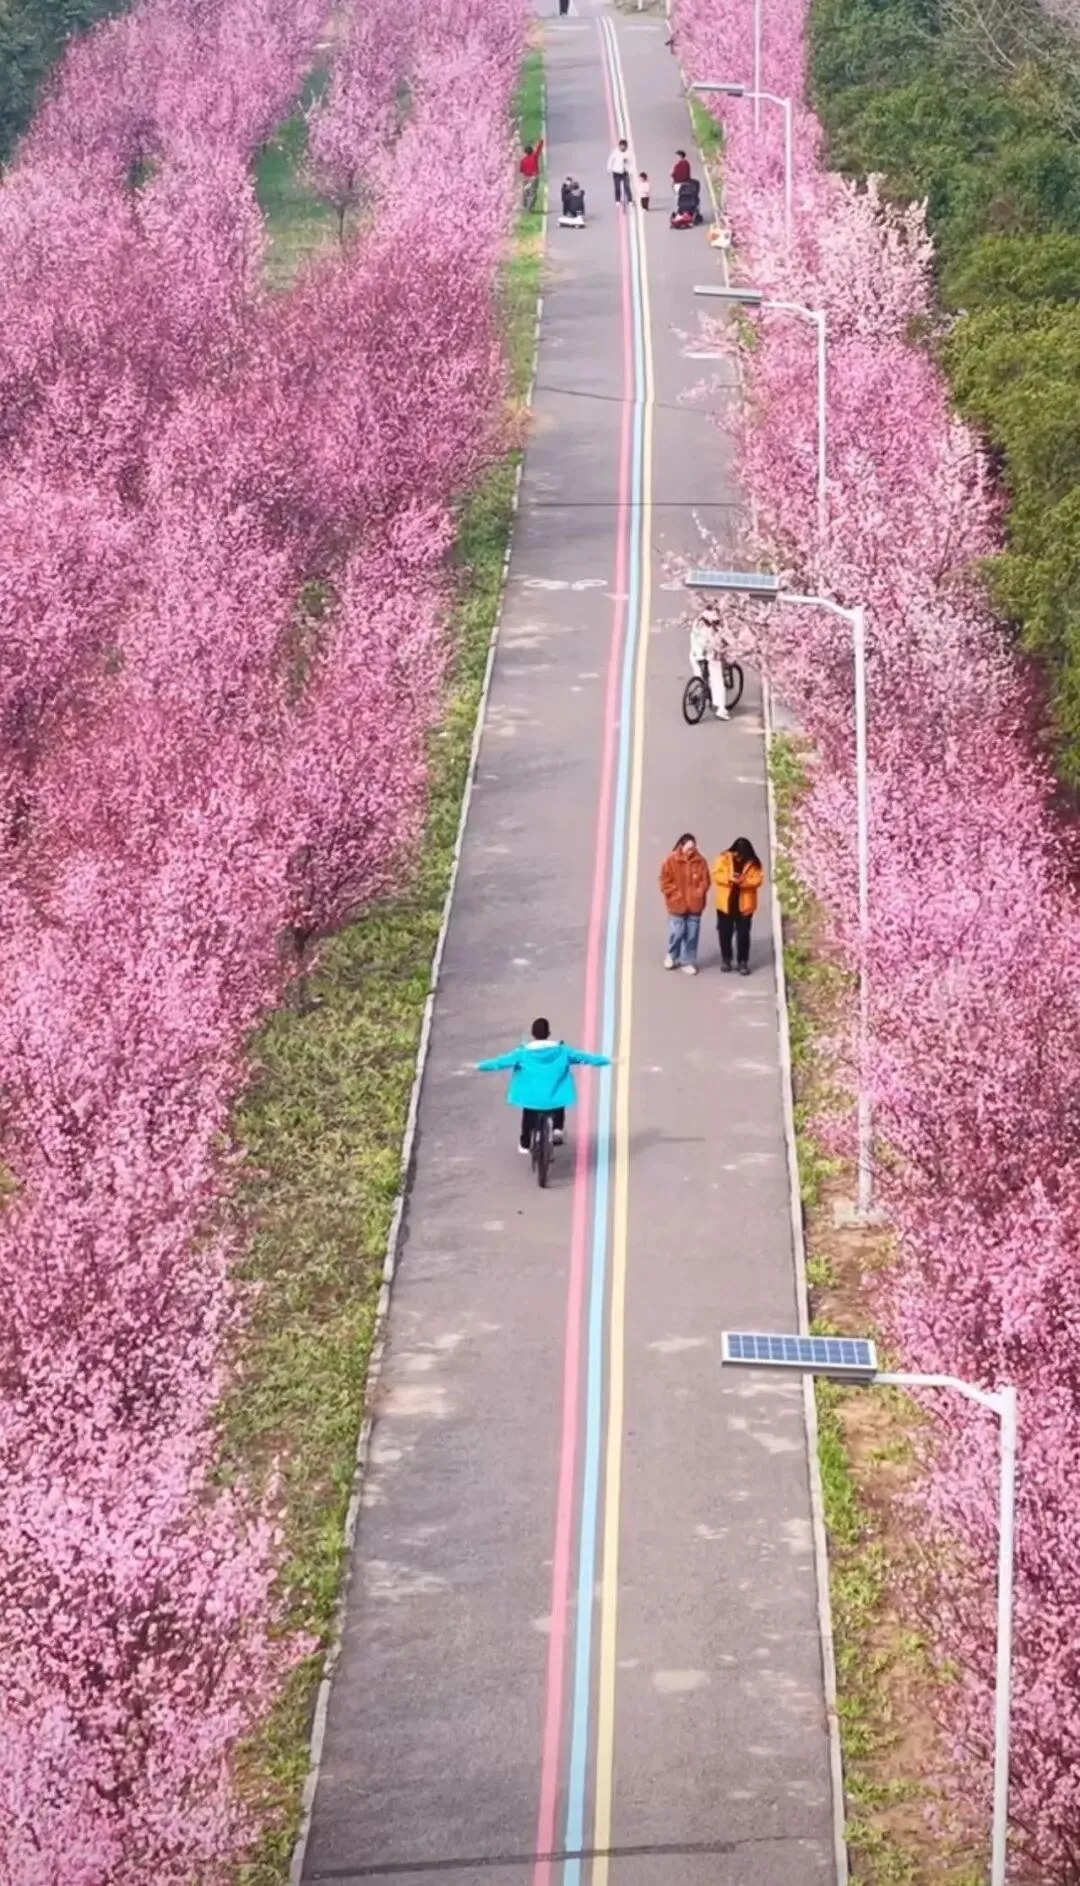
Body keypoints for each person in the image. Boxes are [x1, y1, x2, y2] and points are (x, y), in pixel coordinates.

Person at [477, 1017, 610, 1153]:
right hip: (553, 1098)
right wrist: (606, 1061)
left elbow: (500, 1062)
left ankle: (525, 1143)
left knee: (528, 1112)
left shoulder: (522, 1053)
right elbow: (585, 1058)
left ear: (533, 1034)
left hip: (532, 1098)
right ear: (548, 1033)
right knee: (559, 1095)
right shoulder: (563, 1051)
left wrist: (480, 1066)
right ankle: (557, 1128)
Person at [659, 833, 711, 975]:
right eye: (689, 848)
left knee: (692, 935)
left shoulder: (701, 861)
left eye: (693, 848)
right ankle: (672, 955)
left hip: (695, 905)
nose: (691, 851)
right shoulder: (670, 860)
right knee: (677, 932)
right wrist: (675, 895)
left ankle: (688, 961)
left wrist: (699, 892)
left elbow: (706, 880)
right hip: (676, 905)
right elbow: (664, 881)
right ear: (681, 846)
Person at [712, 837, 764, 975]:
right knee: (724, 933)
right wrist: (729, 879)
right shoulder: (723, 858)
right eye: (737, 854)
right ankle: (726, 959)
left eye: (741, 855)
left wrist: (743, 881)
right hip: (726, 904)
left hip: (745, 905)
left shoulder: (753, 863)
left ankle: (743, 961)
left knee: (743, 935)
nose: (739, 857)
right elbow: (716, 874)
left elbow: (758, 880)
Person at [689, 606, 730, 719]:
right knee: (718, 681)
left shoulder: (697, 622)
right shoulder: (712, 629)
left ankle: (699, 694)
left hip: (695, 655)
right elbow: (717, 643)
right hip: (710, 656)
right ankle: (721, 710)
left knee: (701, 679)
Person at [607, 138, 634, 208]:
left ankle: (630, 200)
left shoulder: (629, 153)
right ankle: (617, 200)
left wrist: (630, 171)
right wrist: (609, 169)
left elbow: (631, 163)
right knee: (617, 187)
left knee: (627, 187)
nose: (622, 147)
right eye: (621, 146)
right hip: (616, 172)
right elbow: (610, 160)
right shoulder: (615, 152)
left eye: (623, 146)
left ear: (626, 146)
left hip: (625, 172)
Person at [520, 138, 544, 212]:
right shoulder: (534, 156)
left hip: (526, 178)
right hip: (534, 178)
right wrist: (541, 141)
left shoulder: (523, 160)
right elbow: (538, 149)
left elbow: (521, 170)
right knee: (533, 193)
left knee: (526, 192)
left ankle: (524, 205)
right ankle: (530, 207)